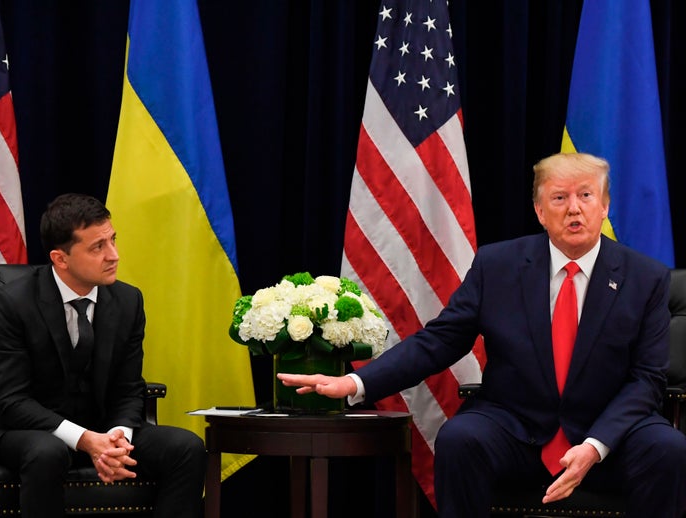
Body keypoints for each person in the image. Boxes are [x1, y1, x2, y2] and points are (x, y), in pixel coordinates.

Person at [278, 152, 686, 517]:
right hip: (517, 429)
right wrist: (354, 381)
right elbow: (439, 341)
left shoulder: (644, 278)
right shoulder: (498, 266)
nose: (574, 209)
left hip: (609, 433)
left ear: (605, 206)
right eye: (559, 198)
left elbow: (646, 379)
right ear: (540, 211)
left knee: (668, 449)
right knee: (459, 439)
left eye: (586, 196)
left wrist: (596, 444)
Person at [0, 193, 207, 518]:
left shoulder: (128, 301)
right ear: (60, 258)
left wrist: (117, 440)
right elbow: (11, 402)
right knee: (47, 452)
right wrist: (84, 440)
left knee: (186, 447)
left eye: (112, 240)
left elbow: (128, 388)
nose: (114, 256)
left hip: (101, 428)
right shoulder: (12, 304)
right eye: (97, 247)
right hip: (24, 431)